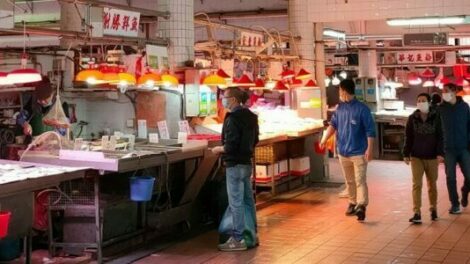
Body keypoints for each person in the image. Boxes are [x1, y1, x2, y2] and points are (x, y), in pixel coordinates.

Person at [320, 79, 376, 221]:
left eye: (339, 90)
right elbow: (333, 125)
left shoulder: (362, 109)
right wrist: (324, 138)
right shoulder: (340, 108)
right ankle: (352, 203)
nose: (339, 93)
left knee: (360, 180)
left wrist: (370, 149)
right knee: (349, 180)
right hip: (343, 151)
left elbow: (370, 131)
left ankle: (361, 206)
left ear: (344, 91)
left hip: (359, 152)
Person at [212, 87, 259, 251]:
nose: (222, 100)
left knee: (236, 203)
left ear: (232, 100)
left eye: (224, 97)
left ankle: (238, 239)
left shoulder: (232, 118)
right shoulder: (251, 117)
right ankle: (253, 235)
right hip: (247, 164)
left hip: (234, 165)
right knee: (248, 200)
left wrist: (219, 149)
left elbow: (230, 145)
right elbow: (256, 140)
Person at [403, 93, 444, 224]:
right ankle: (417, 212)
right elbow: (408, 137)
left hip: (432, 157)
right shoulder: (412, 118)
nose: (421, 102)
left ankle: (433, 209)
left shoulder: (436, 117)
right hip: (416, 157)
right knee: (417, 184)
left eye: (423, 100)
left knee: (432, 184)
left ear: (429, 102)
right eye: (419, 100)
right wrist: (405, 153)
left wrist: (440, 154)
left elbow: (440, 136)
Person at [438, 83, 470, 214]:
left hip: (464, 147)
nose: (444, 93)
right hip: (448, 148)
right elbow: (438, 130)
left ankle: (464, 191)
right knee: (450, 177)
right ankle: (455, 204)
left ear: (454, 92)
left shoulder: (464, 107)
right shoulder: (440, 109)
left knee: (469, 176)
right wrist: (439, 150)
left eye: (446, 91)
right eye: (443, 91)